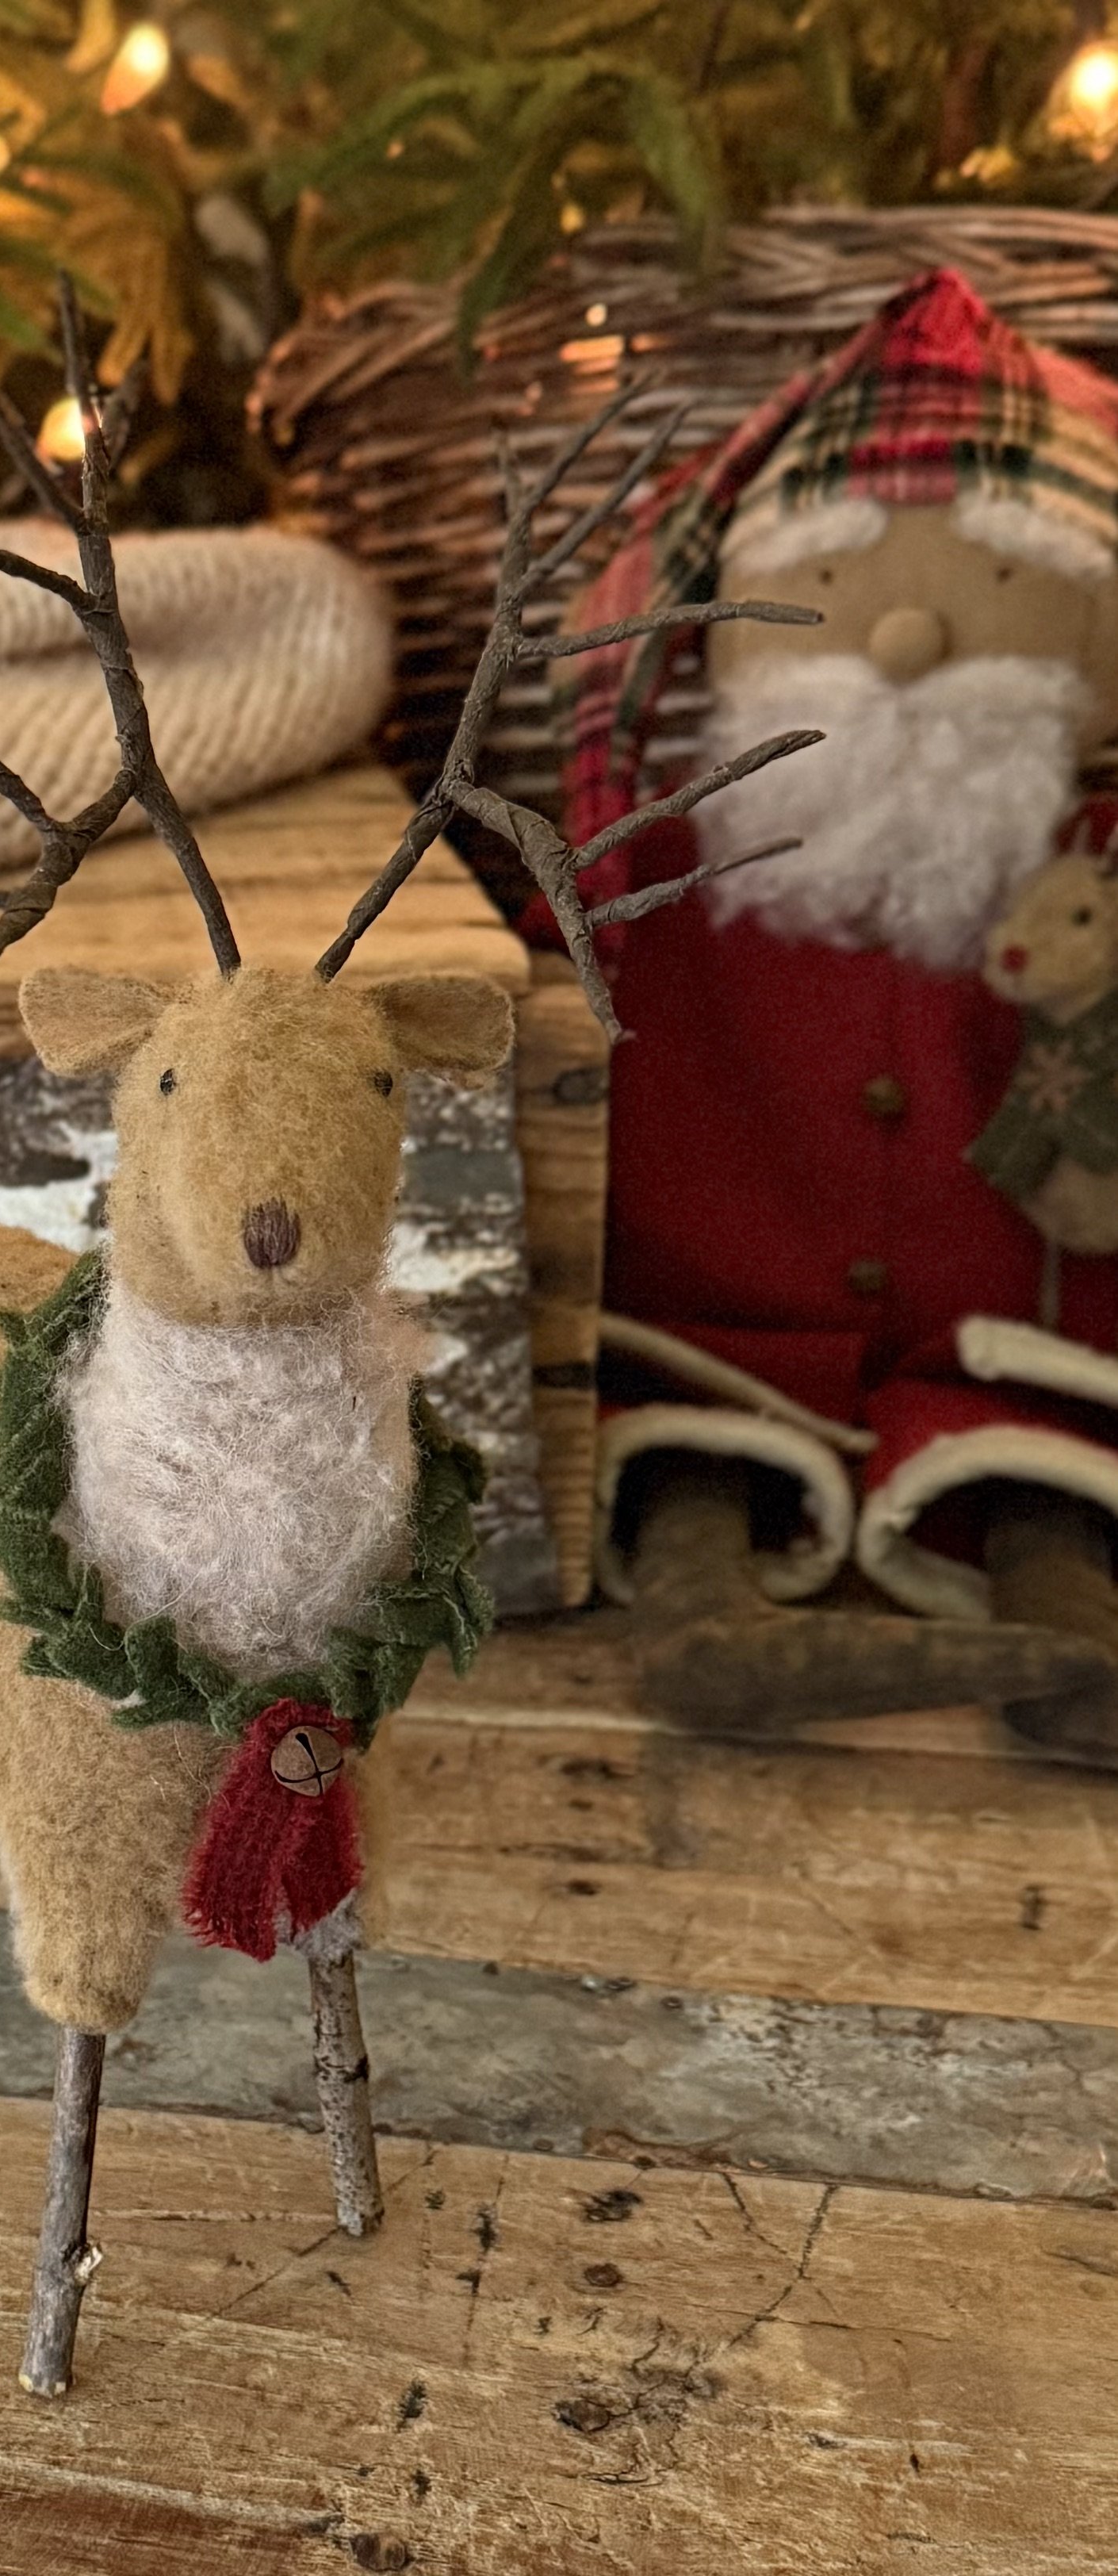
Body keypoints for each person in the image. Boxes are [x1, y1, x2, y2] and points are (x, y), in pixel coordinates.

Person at [554, 267, 1118, 1750]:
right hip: (711, 1331)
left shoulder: (1092, 885)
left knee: (1050, 1487)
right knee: (690, 1464)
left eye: (994, 590)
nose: (911, 643)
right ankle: (703, 1621)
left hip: (1019, 1340)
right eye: (841, 592)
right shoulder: (659, 873)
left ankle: (1074, 1648)